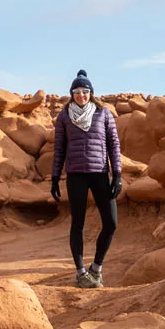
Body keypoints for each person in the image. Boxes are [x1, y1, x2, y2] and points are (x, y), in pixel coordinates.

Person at [50, 69, 121, 288]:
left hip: (100, 173)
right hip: (76, 175)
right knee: (77, 224)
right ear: (71, 94)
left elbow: (113, 145)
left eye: (85, 91)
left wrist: (117, 174)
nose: (81, 95)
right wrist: (55, 177)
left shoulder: (103, 114)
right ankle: (81, 273)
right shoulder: (64, 116)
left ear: (91, 93)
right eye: (77, 92)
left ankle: (96, 269)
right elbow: (59, 148)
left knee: (111, 223)